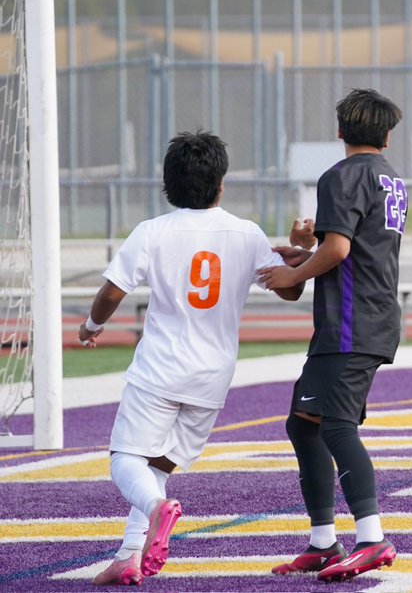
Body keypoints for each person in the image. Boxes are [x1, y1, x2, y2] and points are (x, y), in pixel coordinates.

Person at [80, 131, 305, 586]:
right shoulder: (246, 233)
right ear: (221, 183)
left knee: (124, 459)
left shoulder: (153, 231)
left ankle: (156, 510)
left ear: (168, 184)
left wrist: (91, 325)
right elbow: (291, 291)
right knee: (158, 465)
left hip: (160, 369)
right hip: (212, 375)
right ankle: (130, 554)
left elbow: (113, 292)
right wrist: (302, 250)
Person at [259, 88, 406, 582]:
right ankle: (324, 542)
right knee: (304, 425)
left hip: (351, 322)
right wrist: (307, 250)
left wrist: (294, 272)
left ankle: (372, 537)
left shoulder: (341, 175)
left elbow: (340, 250)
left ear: (340, 130)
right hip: (366, 315)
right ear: (387, 136)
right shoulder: (390, 177)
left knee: (337, 427)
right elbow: (353, 248)